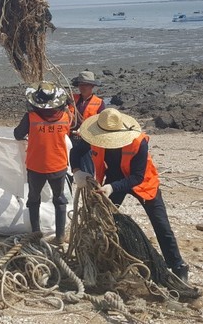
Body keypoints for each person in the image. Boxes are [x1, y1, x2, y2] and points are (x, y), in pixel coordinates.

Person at [74, 108, 190, 282]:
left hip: (142, 182)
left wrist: (112, 188)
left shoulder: (138, 142)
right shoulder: (94, 136)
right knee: (105, 222)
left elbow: (137, 177)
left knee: (161, 225)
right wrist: (77, 172)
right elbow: (75, 151)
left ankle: (178, 265)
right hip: (113, 177)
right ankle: (107, 260)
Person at [13, 81, 72, 243]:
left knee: (33, 199)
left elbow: (18, 134)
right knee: (59, 199)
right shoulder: (65, 117)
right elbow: (67, 132)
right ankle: (60, 236)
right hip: (58, 165)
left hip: (36, 165)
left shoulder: (31, 117)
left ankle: (36, 234)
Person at [69, 70, 106, 175]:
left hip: (88, 143)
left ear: (92, 86)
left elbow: (101, 124)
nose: (82, 87)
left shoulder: (99, 103)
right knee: (71, 172)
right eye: (81, 84)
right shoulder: (72, 99)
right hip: (71, 140)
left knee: (87, 173)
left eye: (86, 85)